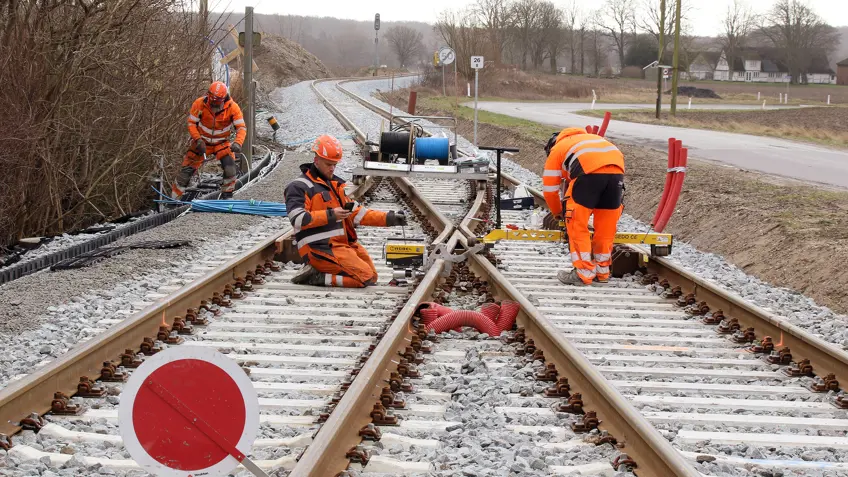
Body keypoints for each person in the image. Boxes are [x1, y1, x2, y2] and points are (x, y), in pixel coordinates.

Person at [284, 134, 408, 287]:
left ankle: (322, 273)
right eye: (328, 164)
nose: (332, 168)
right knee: (364, 278)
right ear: (316, 160)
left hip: (341, 245)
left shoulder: (335, 186)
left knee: (373, 276)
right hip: (318, 249)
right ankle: (317, 277)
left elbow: (358, 213)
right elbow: (297, 219)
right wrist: (331, 215)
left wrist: (390, 218)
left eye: (334, 164)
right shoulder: (298, 187)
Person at [541, 127, 625, 286]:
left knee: (576, 225)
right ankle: (602, 272)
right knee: (606, 228)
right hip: (616, 175)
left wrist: (558, 212)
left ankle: (583, 273)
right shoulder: (593, 140)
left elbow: (550, 190)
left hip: (587, 176)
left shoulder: (558, 148)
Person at [171, 81, 246, 200]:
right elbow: (191, 123)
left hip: (221, 143)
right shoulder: (199, 104)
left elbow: (241, 127)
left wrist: (238, 142)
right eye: (212, 102)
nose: (213, 106)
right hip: (202, 142)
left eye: (216, 103)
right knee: (186, 171)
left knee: (230, 168)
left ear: (223, 99)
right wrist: (198, 140)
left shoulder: (233, 108)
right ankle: (173, 200)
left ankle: (227, 196)